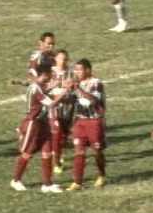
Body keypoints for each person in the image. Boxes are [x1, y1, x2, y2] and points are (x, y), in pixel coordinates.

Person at [11, 63, 72, 193]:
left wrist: (54, 88)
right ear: (44, 74)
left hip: (43, 122)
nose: (51, 77)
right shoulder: (35, 88)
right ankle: (16, 180)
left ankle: (47, 183)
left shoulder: (38, 87)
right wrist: (65, 90)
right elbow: (51, 105)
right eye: (50, 75)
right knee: (28, 153)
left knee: (47, 150)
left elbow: (45, 95)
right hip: (34, 123)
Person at [66, 59, 108, 191]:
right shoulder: (76, 84)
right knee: (79, 150)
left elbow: (94, 100)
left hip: (94, 121)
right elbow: (72, 101)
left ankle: (102, 175)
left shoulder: (96, 83)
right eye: (75, 70)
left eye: (79, 69)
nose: (77, 72)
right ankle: (77, 182)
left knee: (97, 150)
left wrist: (77, 88)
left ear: (88, 70)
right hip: (80, 121)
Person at [49, 49, 75, 175]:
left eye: (65, 59)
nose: (63, 61)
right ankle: (57, 163)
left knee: (63, 137)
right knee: (57, 134)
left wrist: (72, 88)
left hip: (68, 109)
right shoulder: (50, 72)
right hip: (53, 109)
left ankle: (58, 152)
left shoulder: (71, 73)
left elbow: (77, 88)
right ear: (55, 59)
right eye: (61, 58)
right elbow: (42, 85)